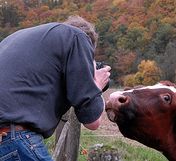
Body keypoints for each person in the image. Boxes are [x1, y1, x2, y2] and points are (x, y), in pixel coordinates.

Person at [0, 15, 111, 160]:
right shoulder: (77, 37)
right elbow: (92, 122)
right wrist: (96, 83)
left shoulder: (13, 39)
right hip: (14, 138)